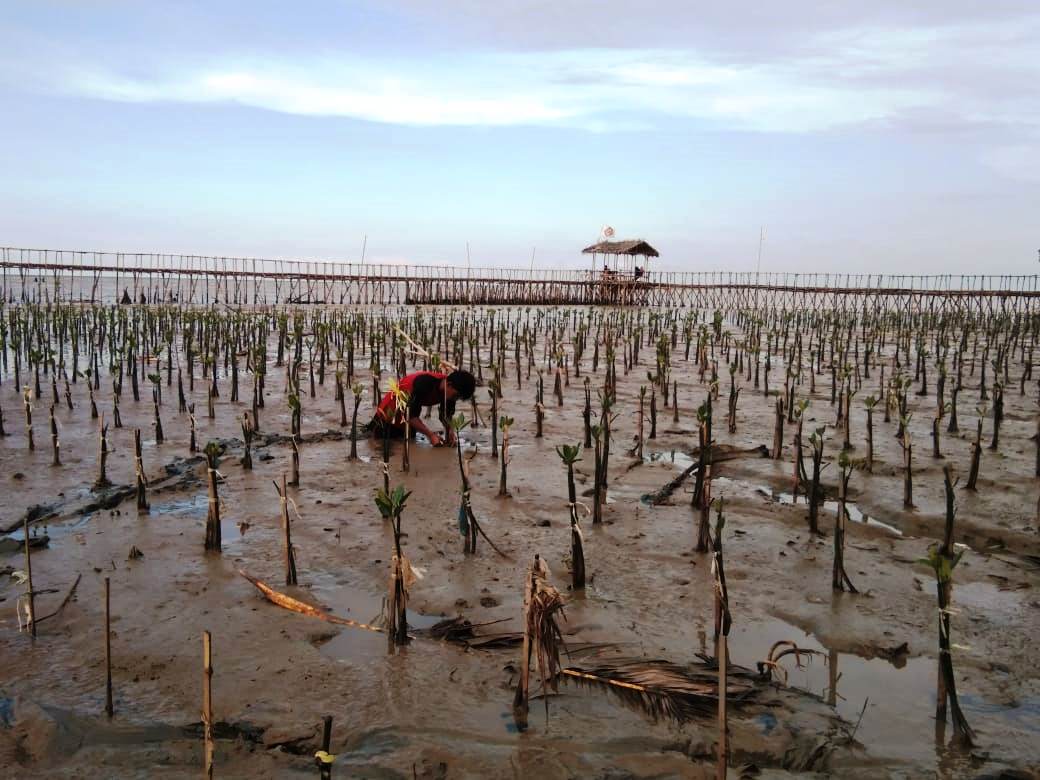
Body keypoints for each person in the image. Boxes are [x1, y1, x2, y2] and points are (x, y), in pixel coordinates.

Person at [370, 369, 476, 446]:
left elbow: (445, 415)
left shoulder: (448, 393)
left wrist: (450, 432)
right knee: (384, 446)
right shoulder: (424, 383)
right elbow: (411, 416)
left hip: (406, 422)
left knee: (408, 442)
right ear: (449, 384)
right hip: (388, 415)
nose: (455, 399)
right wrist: (430, 436)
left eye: (458, 398)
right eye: (455, 396)